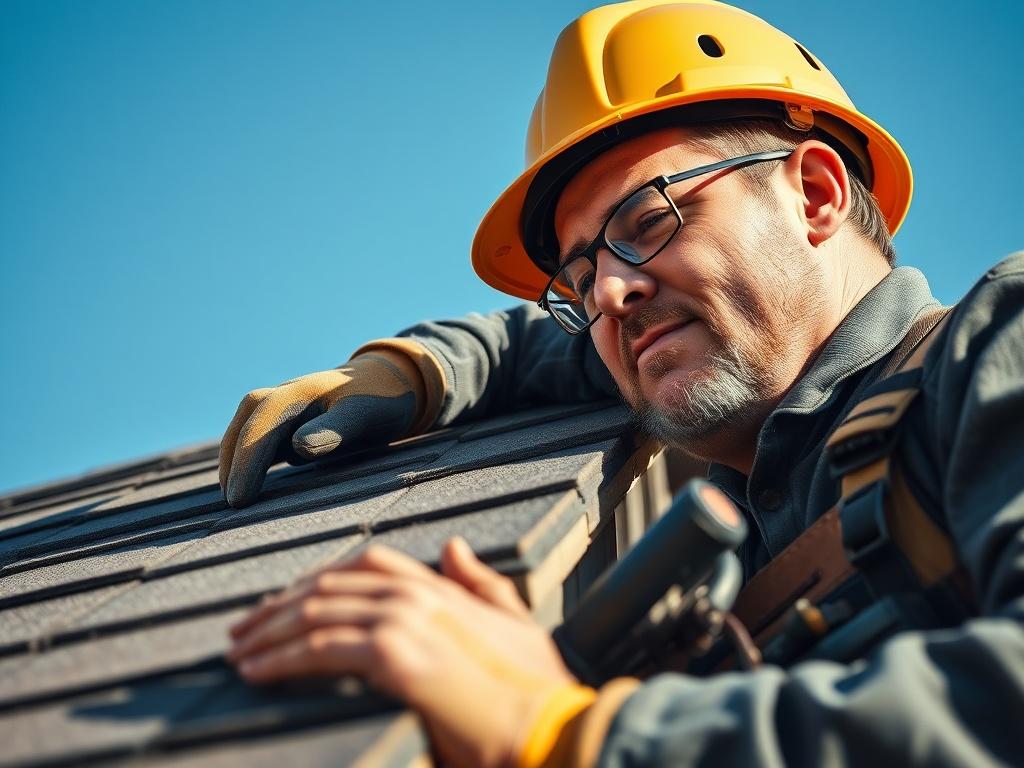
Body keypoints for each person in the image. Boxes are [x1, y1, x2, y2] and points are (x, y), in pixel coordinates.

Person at [221, 1, 1024, 766]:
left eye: (649, 220)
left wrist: (568, 733)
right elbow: (527, 349)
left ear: (814, 195)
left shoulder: (998, 341)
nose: (607, 294)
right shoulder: (737, 442)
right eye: (578, 276)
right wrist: (418, 371)